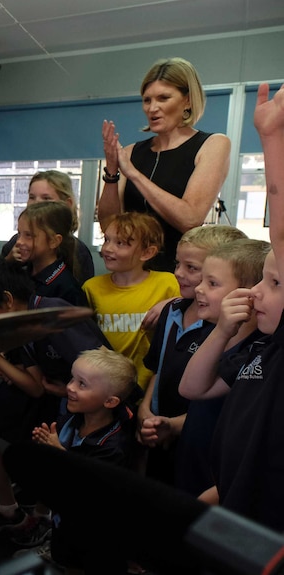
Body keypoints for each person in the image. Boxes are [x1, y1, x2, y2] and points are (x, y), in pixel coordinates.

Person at [179, 83, 284, 532]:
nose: (258, 293)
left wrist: (272, 140)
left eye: (273, 283)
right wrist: (221, 332)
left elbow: (282, 236)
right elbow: (194, 390)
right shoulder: (259, 349)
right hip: (236, 499)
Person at [0, 256, 111, 542]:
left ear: (7, 299)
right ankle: (14, 511)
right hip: (60, 398)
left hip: (90, 407)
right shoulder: (23, 324)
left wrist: (66, 391)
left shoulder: (52, 315)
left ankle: (45, 522)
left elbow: (104, 372)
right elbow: (37, 386)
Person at [137, 225, 246, 485]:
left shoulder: (230, 331)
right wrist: (145, 410)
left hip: (198, 442)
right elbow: (158, 370)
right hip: (158, 431)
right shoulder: (170, 311)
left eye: (192, 268)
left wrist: (173, 425)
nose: (178, 273)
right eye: (177, 264)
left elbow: (220, 403)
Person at [99, 57, 231, 273]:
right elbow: (108, 225)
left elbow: (190, 219)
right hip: (129, 277)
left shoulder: (212, 144)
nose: (153, 108)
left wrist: (133, 174)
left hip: (178, 277)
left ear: (187, 101)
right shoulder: (132, 152)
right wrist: (112, 172)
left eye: (163, 98)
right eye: (147, 100)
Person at [30, 347, 137, 574]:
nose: (69, 387)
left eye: (82, 384)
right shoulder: (72, 417)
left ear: (109, 401)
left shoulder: (113, 447)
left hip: (95, 533)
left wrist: (58, 452)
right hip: (65, 522)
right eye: (72, 378)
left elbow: (90, 487)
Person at [175, 238, 268, 496]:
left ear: (248, 293)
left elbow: (191, 389)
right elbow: (190, 391)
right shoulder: (213, 334)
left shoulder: (258, 349)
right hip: (192, 467)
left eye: (212, 283)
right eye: (202, 280)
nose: (199, 290)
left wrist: (222, 330)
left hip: (219, 483)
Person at [82, 212, 181, 393]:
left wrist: (173, 302)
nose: (108, 249)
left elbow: (196, 303)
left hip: (150, 382)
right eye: (107, 240)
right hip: (106, 384)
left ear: (147, 252)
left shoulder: (167, 283)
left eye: (120, 243)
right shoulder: (92, 287)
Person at [2, 170, 95, 283]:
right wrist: (8, 261)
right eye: (32, 197)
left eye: (46, 198)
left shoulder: (79, 252)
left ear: (67, 204)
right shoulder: (15, 243)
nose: (36, 203)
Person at [12, 201, 87, 306]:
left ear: (53, 241)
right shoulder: (22, 273)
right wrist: (8, 262)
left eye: (29, 235)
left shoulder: (67, 288)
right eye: (19, 233)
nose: (19, 241)